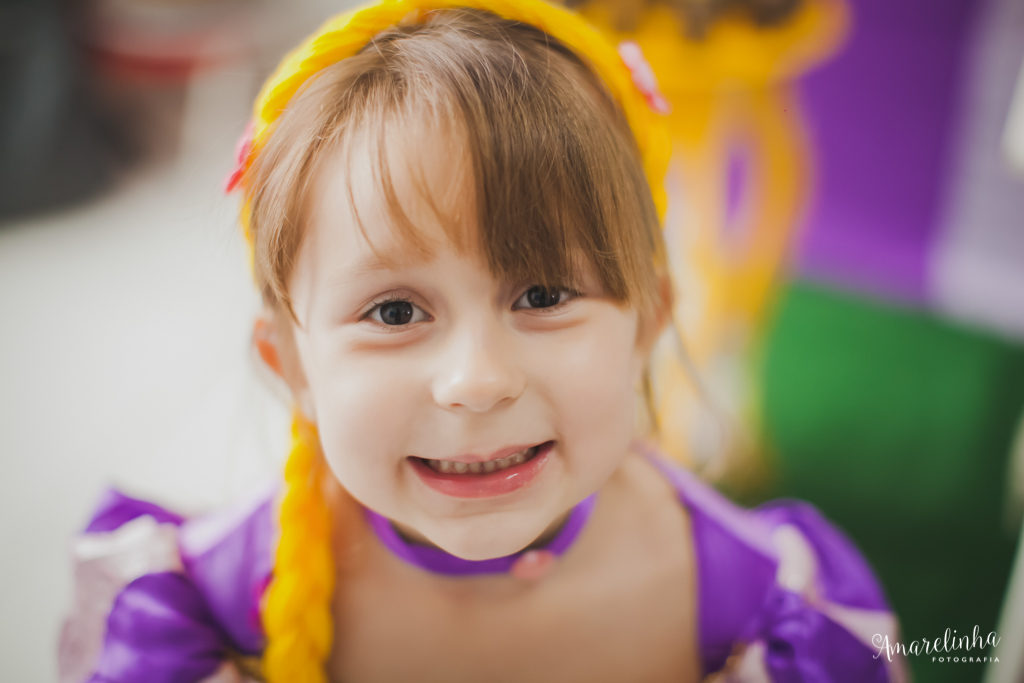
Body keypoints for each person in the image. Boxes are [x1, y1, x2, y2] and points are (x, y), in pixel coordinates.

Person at [58, 0, 902, 681]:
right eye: (394, 312)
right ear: (293, 366)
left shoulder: (760, 604)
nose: (475, 380)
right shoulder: (200, 605)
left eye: (541, 294)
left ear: (647, 322)